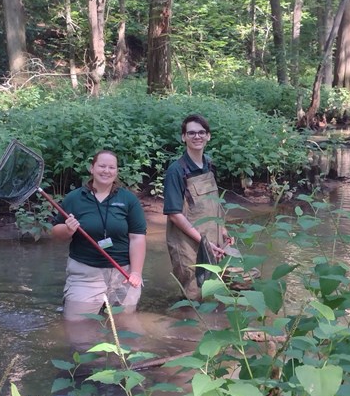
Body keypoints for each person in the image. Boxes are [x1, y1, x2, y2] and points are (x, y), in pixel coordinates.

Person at [51, 150, 147, 321]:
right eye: (102, 166)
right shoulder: (74, 198)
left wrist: (137, 273)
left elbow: (137, 237)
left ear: (116, 171)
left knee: (125, 326)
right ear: (92, 168)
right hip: (86, 273)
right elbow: (55, 233)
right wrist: (68, 230)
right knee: (78, 328)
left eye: (111, 167)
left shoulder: (128, 200)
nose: (106, 171)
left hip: (122, 273)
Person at [163, 114, 234, 301]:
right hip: (188, 244)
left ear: (208, 136)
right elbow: (174, 215)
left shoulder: (209, 164)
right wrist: (204, 242)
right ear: (183, 137)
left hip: (214, 239)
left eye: (202, 132)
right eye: (191, 133)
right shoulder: (176, 170)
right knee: (194, 294)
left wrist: (224, 230)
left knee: (221, 288)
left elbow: (213, 203)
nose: (197, 137)